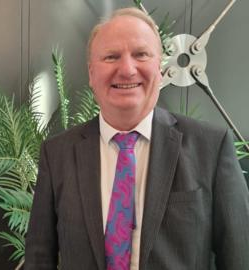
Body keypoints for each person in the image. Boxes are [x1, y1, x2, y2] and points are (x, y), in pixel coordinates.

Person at [25, 7, 249, 270]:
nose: (127, 69)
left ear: (160, 66)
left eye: (141, 54)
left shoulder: (211, 148)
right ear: (91, 74)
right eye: (111, 57)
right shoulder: (57, 154)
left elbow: (240, 257)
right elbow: (40, 258)